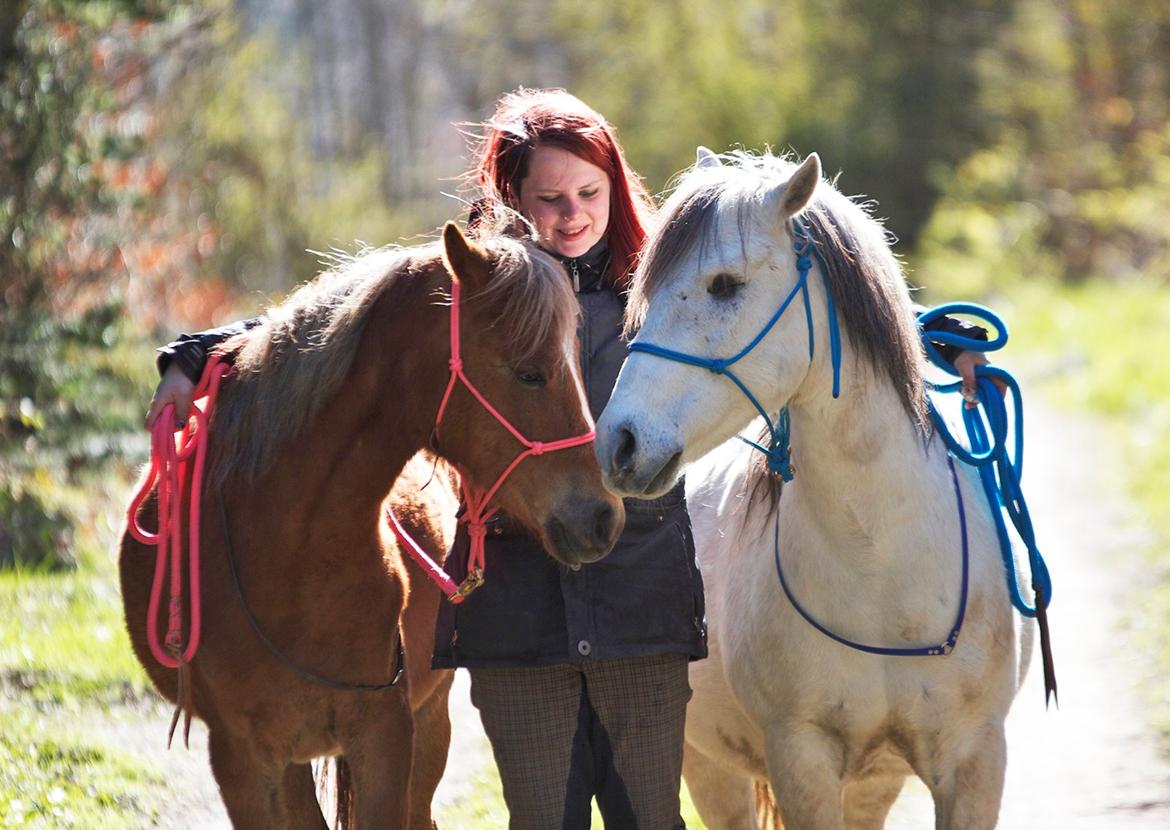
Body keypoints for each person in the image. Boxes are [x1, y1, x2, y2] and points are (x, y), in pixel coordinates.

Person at [144, 88, 989, 829]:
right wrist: (200, 353)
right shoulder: (478, 295)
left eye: (590, 190)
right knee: (542, 815)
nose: (572, 213)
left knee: (649, 814)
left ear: (615, 186)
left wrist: (925, 342)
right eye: (548, 198)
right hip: (520, 614)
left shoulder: (659, 283)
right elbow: (355, 326)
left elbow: (775, 313)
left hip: (641, 610)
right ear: (508, 199)